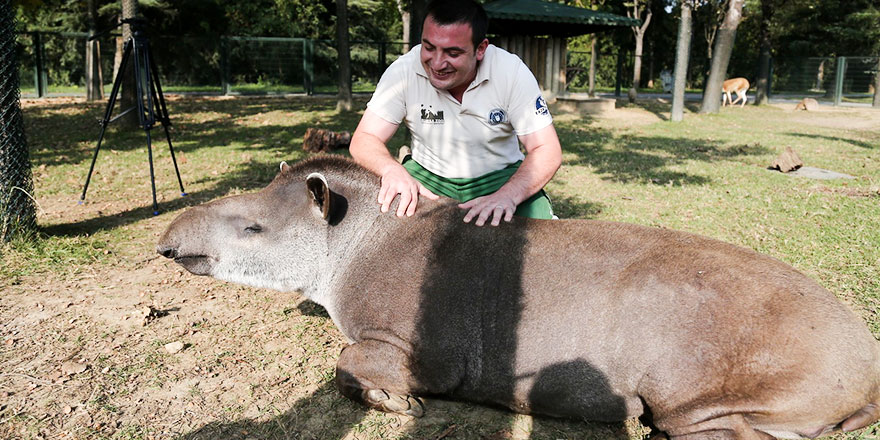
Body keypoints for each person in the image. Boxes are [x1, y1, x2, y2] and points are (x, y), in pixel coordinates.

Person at [349, 0, 562, 227]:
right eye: (429, 47)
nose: (437, 63)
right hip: (426, 178)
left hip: (501, 178)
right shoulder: (404, 70)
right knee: (377, 230)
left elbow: (547, 149)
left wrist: (508, 195)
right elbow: (364, 139)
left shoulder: (511, 71)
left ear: (481, 49)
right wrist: (392, 170)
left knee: (543, 237)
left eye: (452, 52)